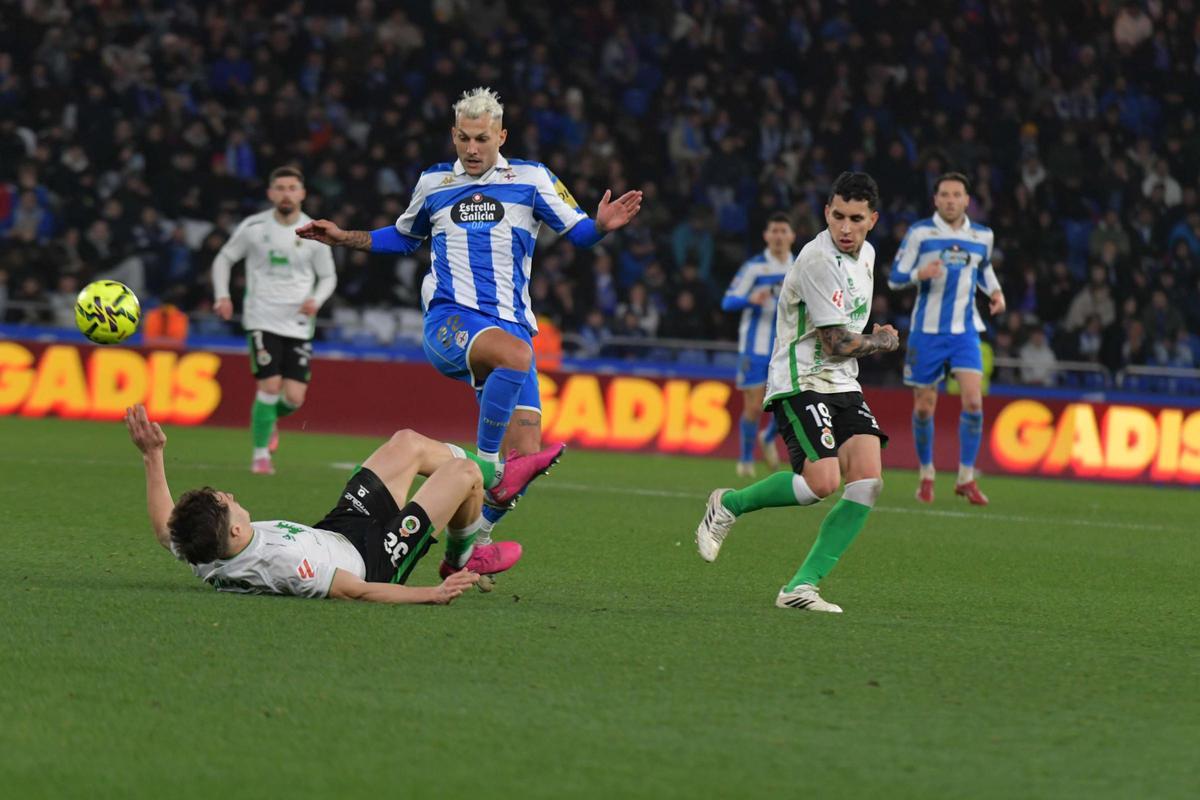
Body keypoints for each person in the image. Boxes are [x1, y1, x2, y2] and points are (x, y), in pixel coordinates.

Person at [296, 87, 642, 542]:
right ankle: (482, 463)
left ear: (502, 135)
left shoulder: (532, 178)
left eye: (482, 139)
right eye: (464, 139)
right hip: (451, 320)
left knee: (525, 459)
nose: (472, 149)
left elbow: (577, 233)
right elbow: (404, 237)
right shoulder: (434, 183)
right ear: (453, 136)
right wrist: (344, 238)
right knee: (515, 363)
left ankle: (469, 546)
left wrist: (599, 226)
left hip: (511, 325)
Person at [694, 172, 900, 614]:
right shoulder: (816, 260)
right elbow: (836, 343)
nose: (845, 227)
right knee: (822, 482)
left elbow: (847, 336)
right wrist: (882, 341)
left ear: (872, 220)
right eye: (838, 216)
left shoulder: (867, 256)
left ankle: (801, 587)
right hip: (801, 378)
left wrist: (868, 341)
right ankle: (728, 504)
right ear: (827, 212)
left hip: (843, 381)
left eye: (856, 219)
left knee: (867, 482)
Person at [125, 403, 566, 602]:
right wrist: (430, 594)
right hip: (374, 559)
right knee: (464, 475)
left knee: (406, 443)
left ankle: (503, 481)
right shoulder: (284, 561)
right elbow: (353, 590)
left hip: (336, 530)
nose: (235, 497)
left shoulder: (204, 547)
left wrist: (152, 455)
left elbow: (168, 529)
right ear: (237, 531)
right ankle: (461, 559)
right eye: (229, 503)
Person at [887, 172, 1005, 506]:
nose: (951, 200)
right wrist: (917, 274)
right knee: (924, 408)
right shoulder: (920, 233)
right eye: (944, 194)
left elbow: (983, 269)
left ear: (967, 200)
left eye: (957, 195)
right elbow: (895, 278)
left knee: (973, 401)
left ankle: (966, 477)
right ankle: (927, 473)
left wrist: (995, 292)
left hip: (965, 331)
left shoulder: (983, 235)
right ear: (935, 199)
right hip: (926, 332)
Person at [211, 166, 337, 475]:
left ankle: (269, 421)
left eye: (292, 187)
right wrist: (222, 296)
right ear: (270, 193)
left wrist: (316, 300)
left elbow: (328, 276)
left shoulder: (314, 231)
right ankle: (260, 457)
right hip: (261, 317)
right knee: (269, 385)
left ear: (302, 193)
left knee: (294, 398)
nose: (286, 193)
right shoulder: (254, 227)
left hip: (297, 322)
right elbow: (224, 259)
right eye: (280, 187)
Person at [720, 212, 796, 477]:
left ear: (792, 236)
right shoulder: (754, 267)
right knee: (753, 407)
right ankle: (745, 460)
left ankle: (769, 436)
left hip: (788, 347)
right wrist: (750, 299)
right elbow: (727, 302)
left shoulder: (799, 267)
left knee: (790, 404)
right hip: (755, 347)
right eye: (773, 231)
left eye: (782, 231)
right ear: (766, 236)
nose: (778, 236)